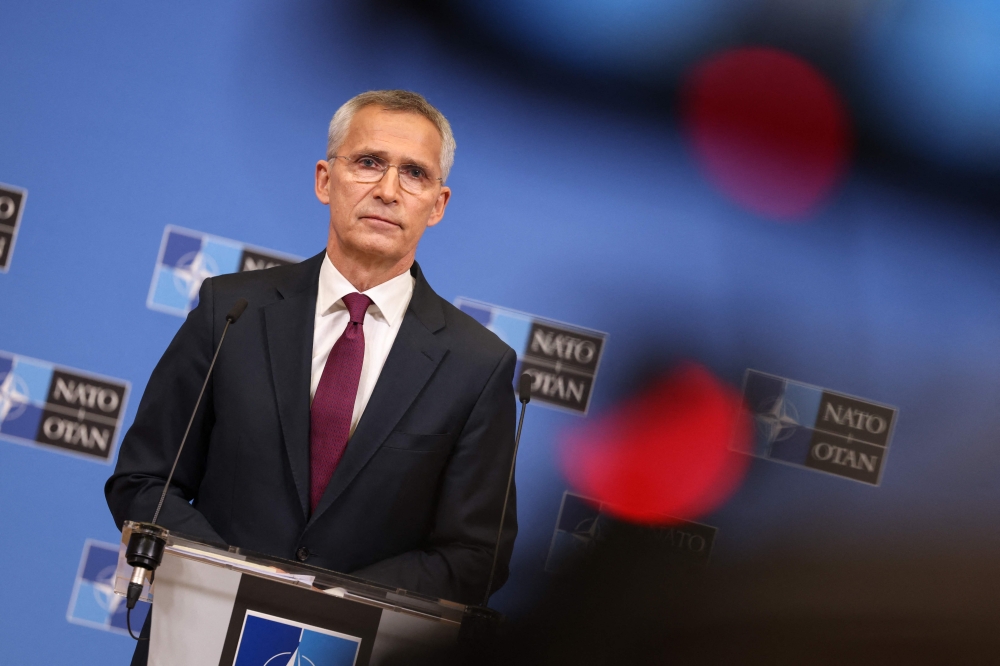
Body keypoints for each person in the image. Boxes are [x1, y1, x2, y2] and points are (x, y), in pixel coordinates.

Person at [105, 90, 518, 655]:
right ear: (326, 179)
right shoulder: (231, 311)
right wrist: (241, 580)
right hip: (199, 637)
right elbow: (144, 480)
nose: (388, 190)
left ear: (438, 204)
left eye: (414, 173)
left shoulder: (477, 364)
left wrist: (333, 603)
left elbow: (476, 555)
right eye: (368, 162)